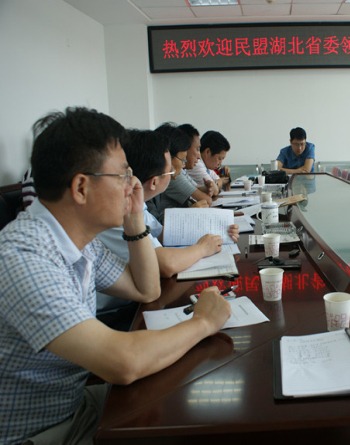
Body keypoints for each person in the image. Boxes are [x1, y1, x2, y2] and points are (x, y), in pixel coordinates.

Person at [0, 107, 231, 445]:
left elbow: (146, 289)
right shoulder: (23, 259)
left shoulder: (79, 241)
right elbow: (123, 362)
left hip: (77, 405)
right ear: (81, 187)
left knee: (188, 401)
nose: (133, 185)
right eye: (123, 175)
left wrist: (135, 219)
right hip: (44, 433)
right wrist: (204, 322)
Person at [96, 129, 239, 328]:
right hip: (115, 315)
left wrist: (220, 230)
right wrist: (202, 249)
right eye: (170, 171)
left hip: (134, 302)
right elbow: (166, 264)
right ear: (155, 181)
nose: (176, 173)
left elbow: (164, 235)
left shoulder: (137, 205)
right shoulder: (117, 212)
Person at [146, 122, 212, 223]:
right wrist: (187, 214)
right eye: (182, 160)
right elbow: (155, 227)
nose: (183, 166)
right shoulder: (146, 184)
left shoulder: (160, 179)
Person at [181, 123, 222, 196]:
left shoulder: (184, 172)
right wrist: (212, 186)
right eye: (197, 149)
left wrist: (210, 187)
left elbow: (202, 189)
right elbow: (208, 197)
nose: (199, 156)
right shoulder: (177, 174)